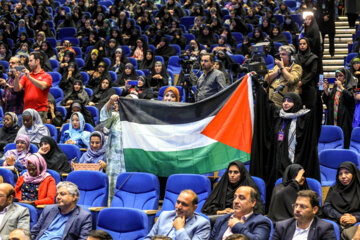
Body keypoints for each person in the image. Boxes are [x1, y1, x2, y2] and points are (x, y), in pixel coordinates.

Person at [145, 189, 211, 239]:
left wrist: (180, 229)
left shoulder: (202, 224)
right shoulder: (164, 215)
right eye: (178, 202)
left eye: (184, 204)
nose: (179, 207)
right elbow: (149, 237)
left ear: (194, 207)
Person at [272, 190, 336, 240]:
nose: (297, 209)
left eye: (302, 206)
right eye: (296, 205)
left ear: (315, 210)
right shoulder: (282, 227)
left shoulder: (324, 228)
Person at [14, 51, 52, 123]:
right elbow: (16, 88)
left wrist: (30, 77)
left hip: (40, 111)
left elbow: (43, 86)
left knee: (38, 133)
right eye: (28, 61)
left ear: (37, 61)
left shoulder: (47, 76)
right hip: (27, 111)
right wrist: (16, 78)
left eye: (31, 61)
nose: (28, 63)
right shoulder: (25, 76)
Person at [323, 68, 356, 148]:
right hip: (334, 117)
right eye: (337, 76)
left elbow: (351, 99)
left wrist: (341, 87)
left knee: (344, 138)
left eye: (340, 76)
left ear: (346, 77)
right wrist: (326, 91)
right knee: (334, 138)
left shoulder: (350, 87)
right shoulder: (335, 88)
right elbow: (328, 102)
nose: (338, 78)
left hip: (345, 118)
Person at [100, 95, 124, 201]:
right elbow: (104, 120)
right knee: (113, 191)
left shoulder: (138, 120)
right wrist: (110, 101)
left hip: (131, 161)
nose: (117, 106)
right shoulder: (115, 117)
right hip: (114, 163)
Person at [322, 162, 360, 226]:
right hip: (336, 221)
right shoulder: (334, 189)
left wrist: (356, 218)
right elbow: (326, 207)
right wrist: (340, 217)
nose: (343, 176)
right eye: (340, 174)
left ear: (354, 174)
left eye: (347, 173)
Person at [294, 37, 318, 109]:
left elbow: (313, 73)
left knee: (310, 108)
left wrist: (302, 82)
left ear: (307, 45)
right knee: (298, 108)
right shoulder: (296, 57)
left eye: (304, 44)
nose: (302, 45)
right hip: (298, 86)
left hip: (309, 85)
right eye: (300, 44)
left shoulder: (313, 57)